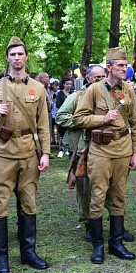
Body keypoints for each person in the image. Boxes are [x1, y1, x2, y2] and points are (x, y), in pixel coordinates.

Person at [0, 37, 51, 273]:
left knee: (29, 201)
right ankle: (2, 256)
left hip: (29, 152)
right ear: (8, 58)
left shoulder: (38, 88)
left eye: (20, 54)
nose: (17, 58)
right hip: (3, 152)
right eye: (13, 55)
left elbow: (43, 125)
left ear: (26, 57)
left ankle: (28, 253)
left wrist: (46, 153)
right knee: (1, 203)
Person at [73, 47, 136, 264]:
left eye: (125, 66)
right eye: (120, 66)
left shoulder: (129, 90)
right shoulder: (94, 90)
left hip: (123, 148)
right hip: (100, 150)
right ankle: (97, 245)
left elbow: (135, 124)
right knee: (98, 195)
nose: (124, 69)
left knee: (119, 195)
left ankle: (116, 243)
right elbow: (78, 119)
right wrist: (101, 120)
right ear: (109, 67)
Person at [55, 64, 105, 240]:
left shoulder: (109, 95)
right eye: (96, 77)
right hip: (82, 148)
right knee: (84, 187)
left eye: (103, 76)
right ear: (88, 78)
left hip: (105, 147)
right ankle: (88, 223)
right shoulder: (78, 96)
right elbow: (60, 116)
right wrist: (83, 122)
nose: (100, 80)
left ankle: (113, 223)